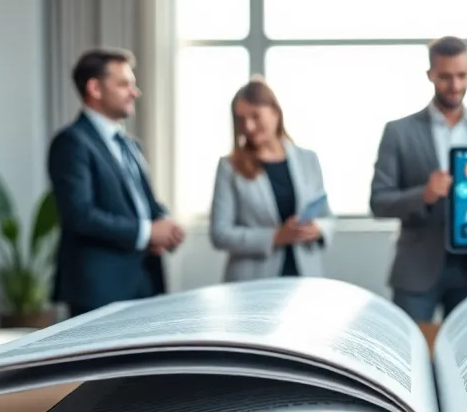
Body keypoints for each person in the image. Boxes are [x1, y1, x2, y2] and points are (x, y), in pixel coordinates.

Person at [370, 36, 467, 322]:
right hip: (417, 270)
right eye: (445, 77)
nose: (455, 86)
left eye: (462, 75)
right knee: (409, 354)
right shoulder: (399, 132)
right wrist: (424, 195)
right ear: (430, 74)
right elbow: (379, 202)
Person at [48, 48, 184, 316]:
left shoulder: (130, 145)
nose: (135, 92)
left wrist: (165, 226)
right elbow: (81, 215)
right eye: (124, 84)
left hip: (145, 282)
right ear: (95, 88)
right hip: (100, 289)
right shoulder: (72, 142)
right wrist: (146, 232)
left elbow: (144, 203)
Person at [210, 78, 334, 282]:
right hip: (252, 281)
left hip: (304, 275)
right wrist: (275, 237)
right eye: (241, 119)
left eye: (255, 116)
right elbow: (220, 234)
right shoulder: (229, 166)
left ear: (275, 112)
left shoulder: (308, 159)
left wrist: (317, 229)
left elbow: (326, 216)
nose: (248, 126)